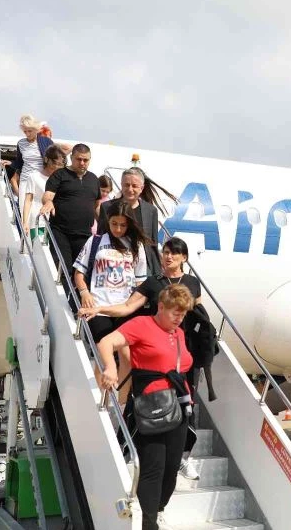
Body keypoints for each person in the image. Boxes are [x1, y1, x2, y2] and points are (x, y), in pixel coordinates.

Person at [78, 237, 204, 479]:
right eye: (166, 252)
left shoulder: (192, 283)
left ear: (184, 258)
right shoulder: (152, 283)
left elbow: (199, 315)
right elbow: (127, 307)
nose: (168, 257)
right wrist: (99, 309)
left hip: (183, 355)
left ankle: (183, 458)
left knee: (187, 407)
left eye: (175, 254)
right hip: (155, 356)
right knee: (142, 402)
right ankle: (126, 449)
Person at [97, 284, 195, 530]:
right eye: (175, 312)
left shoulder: (178, 332)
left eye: (183, 314)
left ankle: (158, 510)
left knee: (172, 469)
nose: (179, 318)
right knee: (153, 469)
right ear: (160, 306)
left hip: (179, 405)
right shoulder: (141, 324)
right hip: (150, 405)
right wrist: (110, 368)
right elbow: (106, 343)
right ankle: (149, 524)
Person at [73, 201, 152, 402]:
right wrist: (84, 292)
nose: (117, 229)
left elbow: (141, 280)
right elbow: (79, 272)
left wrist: (135, 302)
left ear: (129, 225)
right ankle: (103, 400)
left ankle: (123, 403)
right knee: (103, 354)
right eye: (114, 224)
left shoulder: (136, 246)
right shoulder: (96, 241)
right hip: (97, 307)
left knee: (127, 358)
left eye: (122, 225)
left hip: (123, 308)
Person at [40, 143, 102, 279]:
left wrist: (106, 224)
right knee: (63, 270)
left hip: (85, 235)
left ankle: (78, 299)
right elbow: (48, 195)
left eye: (85, 160)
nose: (82, 163)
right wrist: (49, 202)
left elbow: (97, 206)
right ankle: (64, 300)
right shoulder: (59, 175)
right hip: (61, 232)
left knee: (82, 274)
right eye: (78, 159)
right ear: (72, 157)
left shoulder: (93, 179)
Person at [97, 168, 161, 276]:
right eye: (126, 185)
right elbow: (101, 237)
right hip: (114, 265)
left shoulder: (151, 211)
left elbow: (153, 244)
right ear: (121, 185)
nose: (130, 189)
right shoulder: (107, 207)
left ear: (142, 188)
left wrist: (157, 273)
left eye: (134, 186)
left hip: (143, 268)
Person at [12, 115, 54, 220]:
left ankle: (40, 234)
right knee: (24, 209)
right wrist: (10, 163)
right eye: (25, 131)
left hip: (42, 179)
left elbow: (55, 159)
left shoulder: (46, 142)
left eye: (29, 131)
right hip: (25, 179)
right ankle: (25, 233)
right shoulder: (21, 143)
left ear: (36, 129)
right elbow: (19, 162)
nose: (27, 134)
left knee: (41, 209)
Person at [22, 145, 66, 239]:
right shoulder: (34, 176)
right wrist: (25, 221)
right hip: (38, 216)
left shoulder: (63, 179)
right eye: (54, 162)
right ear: (46, 159)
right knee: (38, 244)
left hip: (57, 220)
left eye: (60, 164)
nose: (56, 166)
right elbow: (28, 200)